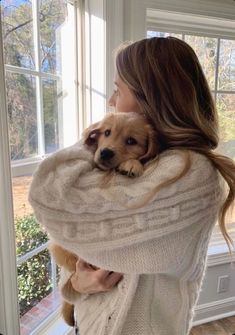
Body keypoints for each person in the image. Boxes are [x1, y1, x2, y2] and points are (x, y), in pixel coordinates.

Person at [29, 37, 235, 335]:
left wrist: (99, 133)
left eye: (117, 90)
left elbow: (49, 196)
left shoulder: (190, 171)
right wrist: (76, 283)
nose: (111, 102)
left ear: (153, 99)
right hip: (88, 322)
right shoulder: (154, 158)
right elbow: (81, 241)